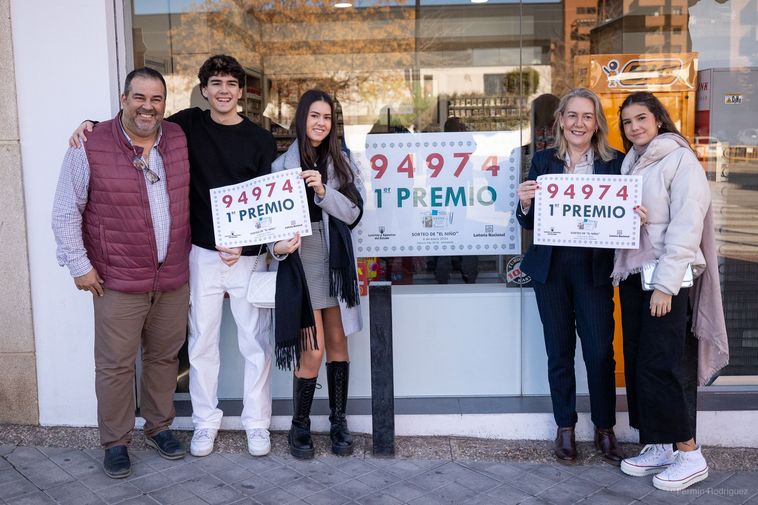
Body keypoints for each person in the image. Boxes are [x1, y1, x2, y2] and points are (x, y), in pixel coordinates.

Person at [70, 55, 278, 458]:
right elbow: (138, 118)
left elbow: (269, 207)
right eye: (215, 83)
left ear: (242, 92)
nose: (223, 90)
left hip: (247, 256)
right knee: (201, 343)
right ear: (204, 90)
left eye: (231, 84)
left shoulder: (260, 140)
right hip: (198, 253)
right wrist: (91, 125)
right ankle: (205, 423)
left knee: (255, 342)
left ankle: (257, 424)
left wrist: (247, 246)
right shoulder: (186, 126)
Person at [53, 67, 191, 479]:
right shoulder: (89, 145)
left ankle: (160, 427)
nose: (148, 107)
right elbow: (65, 212)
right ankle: (115, 442)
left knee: (164, 358)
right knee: (114, 365)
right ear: (123, 98)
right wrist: (79, 266)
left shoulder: (180, 138)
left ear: (165, 104)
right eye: (139, 98)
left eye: (156, 99)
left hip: (172, 279)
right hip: (115, 280)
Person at [612, 91, 728, 491]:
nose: (634, 127)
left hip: (666, 279)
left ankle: (690, 453)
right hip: (634, 274)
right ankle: (659, 444)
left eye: (641, 118)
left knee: (664, 364)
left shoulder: (680, 160)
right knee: (641, 361)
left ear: (658, 119)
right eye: (627, 122)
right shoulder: (632, 163)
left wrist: (665, 285)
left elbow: (685, 226)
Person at [516, 87, 625, 464]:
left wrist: (635, 215)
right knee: (558, 352)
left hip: (594, 270)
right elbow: (527, 221)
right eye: (573, 115)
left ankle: (605, 428)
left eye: (587, 116)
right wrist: (525, 202)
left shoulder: (616, 163)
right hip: (552, 269)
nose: (579, 123)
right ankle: (565, 427)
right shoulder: (543, 161)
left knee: (599, 354)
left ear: (597, 124)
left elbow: (624, 217)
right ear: (561, 120)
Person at [269, 89, 363, 459]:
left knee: (339, 345)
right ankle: (300, 424)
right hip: (301, 257)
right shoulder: (280, 166)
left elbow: (355, 214)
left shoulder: (344, 161)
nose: (320, 123)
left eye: (326, 117)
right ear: (301, 119)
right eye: (314, 116)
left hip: (335, 259)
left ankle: (338, 420)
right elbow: (270, 226)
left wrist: (324, 192)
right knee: (313, 350)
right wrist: (278, 247)